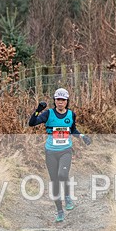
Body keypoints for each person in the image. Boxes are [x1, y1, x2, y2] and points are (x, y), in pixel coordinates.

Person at [28, 87, 92, 222]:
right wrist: (38, 110)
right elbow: (31, 123)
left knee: (62, 175)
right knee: (55, 182)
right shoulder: (48, 114)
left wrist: (82, 136)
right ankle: (59, 211)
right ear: (55, 101)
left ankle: (68, 197)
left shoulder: (71, 115)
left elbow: (72, 129)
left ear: (67, 101)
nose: (60, 102)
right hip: (50, 152)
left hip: (65, 150)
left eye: (63, 100)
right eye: (58, 100)